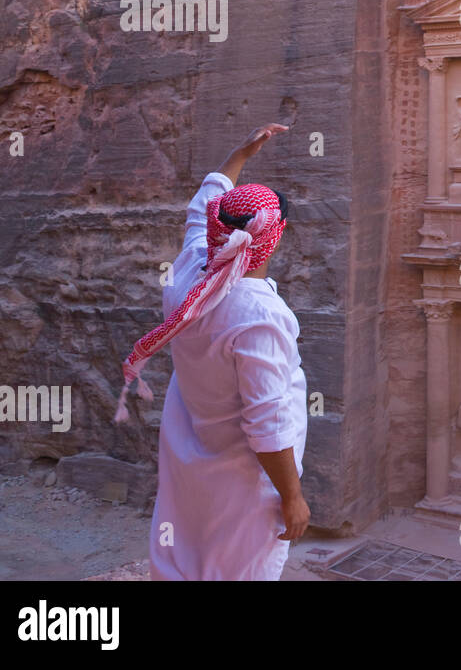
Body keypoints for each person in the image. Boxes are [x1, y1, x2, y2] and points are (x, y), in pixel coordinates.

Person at [115, 123, 309, 580]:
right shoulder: (259, 315)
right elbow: (265, 422)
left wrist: (239, 154)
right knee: (239, 562)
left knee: (188, 546)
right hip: (244, 473)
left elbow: (207, 197)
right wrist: (291, 496)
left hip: (190, 445)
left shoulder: (191, 266)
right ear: (274, 238)